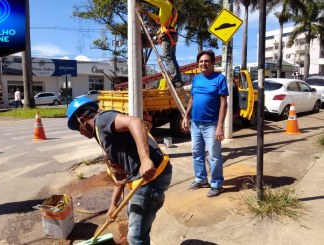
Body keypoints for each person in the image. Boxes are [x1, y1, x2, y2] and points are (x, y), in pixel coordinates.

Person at [67, 97, 172, 244]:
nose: (80, 133)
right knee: (133, 214)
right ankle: (139, 232)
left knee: (135, 237)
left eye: (78, 129)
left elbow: (135, 122)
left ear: (83, 121)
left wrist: (145, 160)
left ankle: (137, 237)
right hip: (144, 179)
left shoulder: (103, 120)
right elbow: (120, 176)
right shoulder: (102, 134)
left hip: (152, 177)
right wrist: (113, 206)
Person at [182, 50, 228, 197]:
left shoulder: (220, 79)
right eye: (201, 61)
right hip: (195, 123)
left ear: (213, 63)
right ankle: (201, 179)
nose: (203, 64)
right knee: (196, 153)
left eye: (207, 61)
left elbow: (223, 104)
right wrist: (185, 116)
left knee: (214, 156)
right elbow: (192, 99)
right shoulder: (196, 79)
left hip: (211, 125)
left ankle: (217, 184)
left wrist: (220, 126)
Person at [139, 0, 182, 87]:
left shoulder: (165, 4)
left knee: (168, 57)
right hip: (172, 34)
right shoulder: (173, 8)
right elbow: (159, 19)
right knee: (172, 58)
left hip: (167, 35)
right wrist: (148, 13)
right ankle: (178, 79)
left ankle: (176, 79)